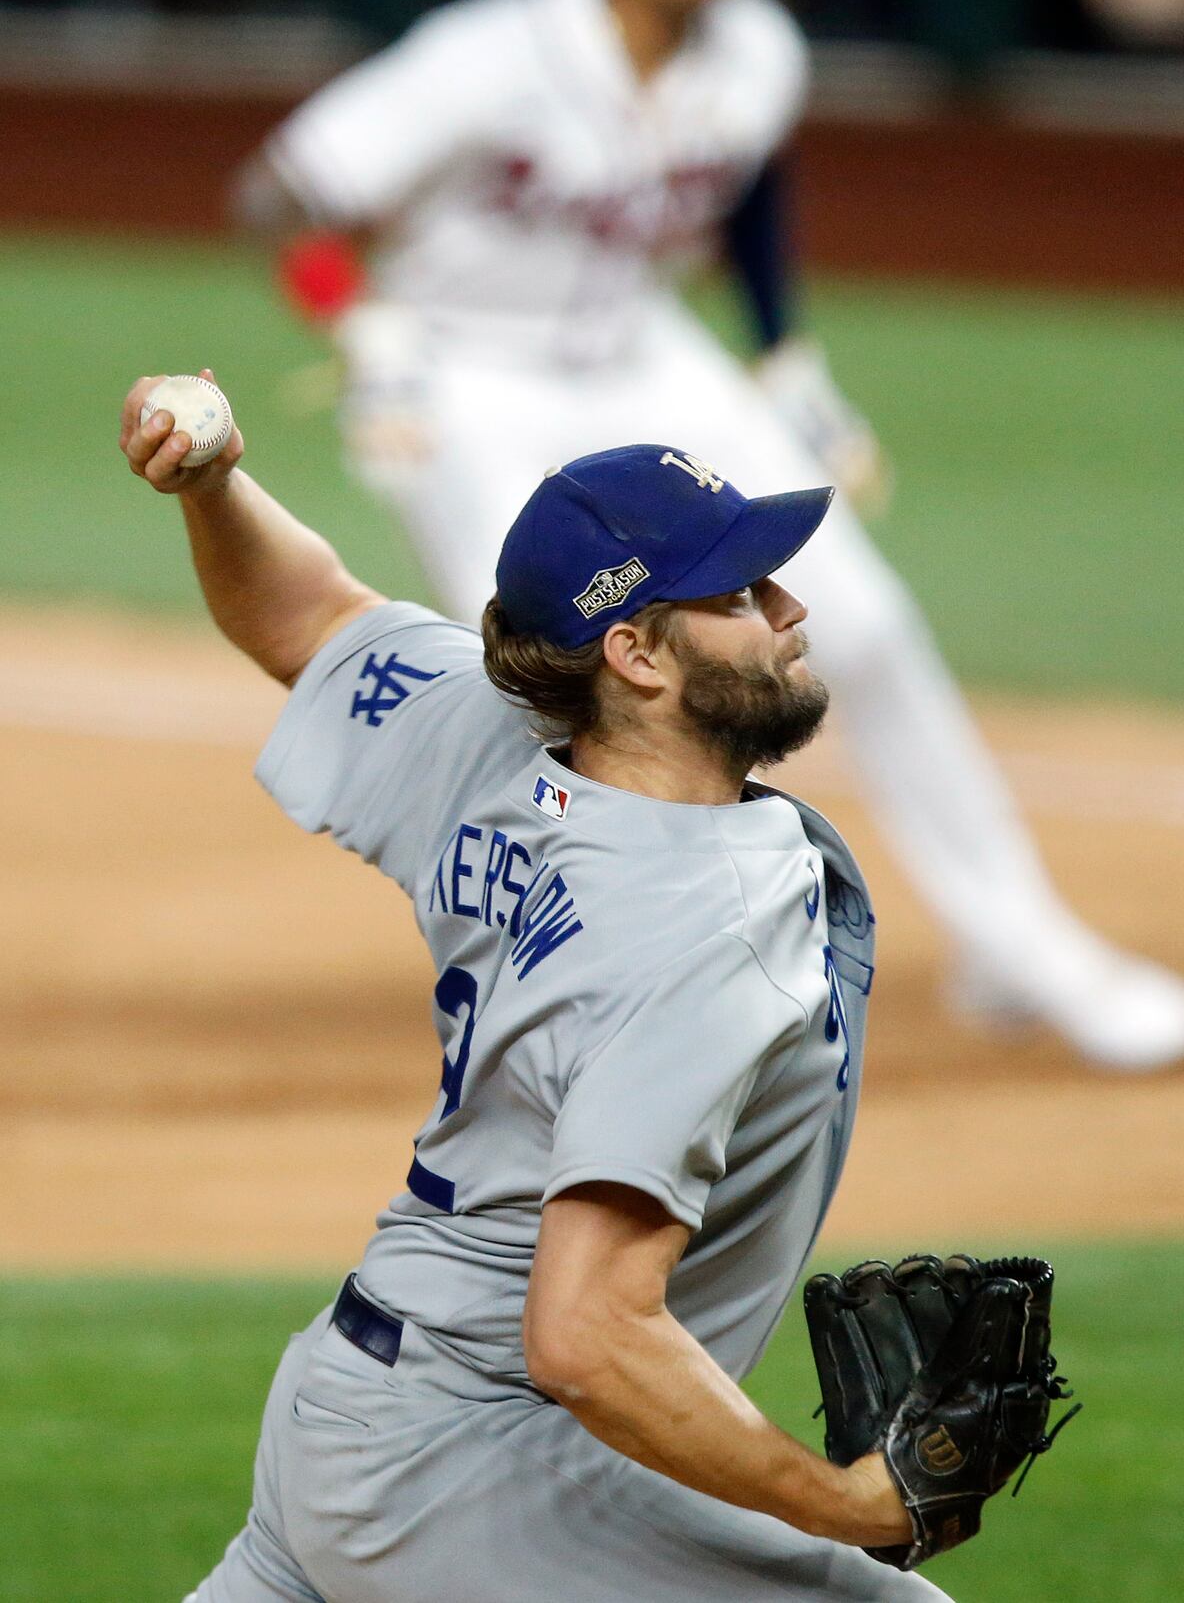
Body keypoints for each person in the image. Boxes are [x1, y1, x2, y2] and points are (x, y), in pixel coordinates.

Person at [234, 0, 1184, 1070]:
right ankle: (563, 973)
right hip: (465, 373)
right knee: (546, 679)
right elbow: (282, 196)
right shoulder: (484, 56)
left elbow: (743, 195)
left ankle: (1020, 945)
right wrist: (364, 330)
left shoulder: (755, 48)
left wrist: (785, 358)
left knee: (860, 624)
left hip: (644, 351)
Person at [121, 376, 951, 1601]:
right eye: (736, 593)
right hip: (491, 1466)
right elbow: (587, 1336)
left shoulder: (493, 734)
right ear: (634, 654)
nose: (789, 606)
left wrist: (214, 483)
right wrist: (840, 1504)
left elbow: (308, 617)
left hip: (349, 1412)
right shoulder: (700, 929)